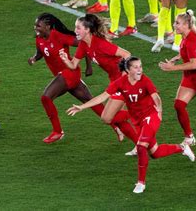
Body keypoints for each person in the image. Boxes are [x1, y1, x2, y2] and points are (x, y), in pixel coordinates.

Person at [84, 56, 195, 194]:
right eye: (136, 67)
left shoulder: (145, 81)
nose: (140, 70)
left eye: (140, 66)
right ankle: (182, 147)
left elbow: (156, 97)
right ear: (128, 70)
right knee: (155, 153)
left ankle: (141, 183)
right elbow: (102, 96)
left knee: (141, 147)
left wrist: (159, 110)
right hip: (137, 121)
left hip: (151, 116)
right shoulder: (121, 82)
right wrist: (82, 107)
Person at [29, 13, 113, 143]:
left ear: (48, 26)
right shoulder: (39, 39)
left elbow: (83, 44)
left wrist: (88, 65)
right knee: (88, 100)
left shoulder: (57, 36)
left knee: (46, 97)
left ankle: (57, 131)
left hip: (69, 72)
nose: (36, 27)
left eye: (38, 25)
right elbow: (41, 52)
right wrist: (34, 58)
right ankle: (117, 124)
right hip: (63, 77)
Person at [60, 14, 140, 146]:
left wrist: (124, 78)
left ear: (87, 30)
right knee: (118, 118)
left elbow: (127, 54)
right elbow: (73, 65)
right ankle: (139, 145)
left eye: (78, 28)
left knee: (109, 117)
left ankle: (138, 112)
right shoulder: (84, 44)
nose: (75, 31)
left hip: (124, 80)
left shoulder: (101, 44)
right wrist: (65, 60)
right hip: (114, 79)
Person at [158, 10, 196, 145]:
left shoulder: (192, 40)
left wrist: (172, 68)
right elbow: (186, 52)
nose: (174, 25)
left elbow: (195, 64)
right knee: (179, 105)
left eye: (177, 23)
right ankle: (189, 137)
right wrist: (175, 59)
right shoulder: (186, 37)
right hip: (190, 78)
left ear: (186, 25)